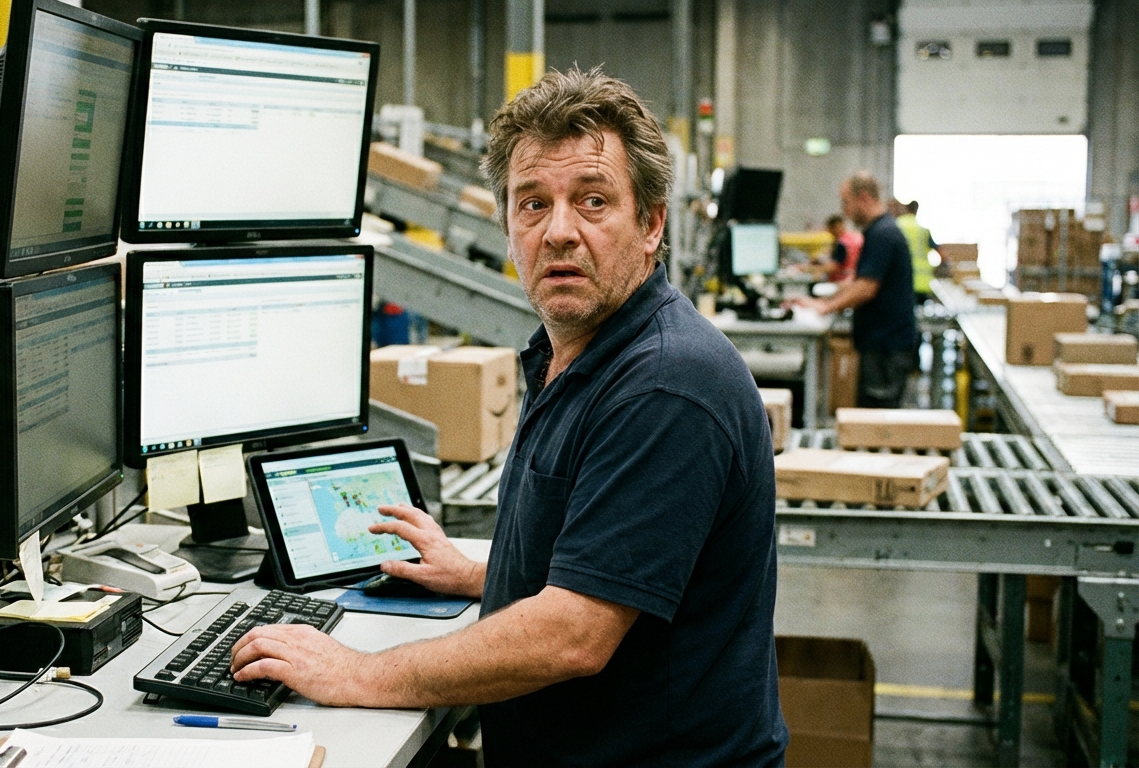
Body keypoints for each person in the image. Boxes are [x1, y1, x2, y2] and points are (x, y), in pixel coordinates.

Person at [230, 68, 788, 766]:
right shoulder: (575, 355)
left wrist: (356, 672)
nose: (558, 231)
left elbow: (573, 635)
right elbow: (605, 564)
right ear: (506, 227)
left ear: (650, 224)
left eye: (592, 201)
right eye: (532, 204)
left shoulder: (666, 385)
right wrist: (473, 573)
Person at [788, 172, 917, 408]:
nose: (844, 210)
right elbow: (860, 281)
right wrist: (822, 299)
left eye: (846, 202)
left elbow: (866, 288)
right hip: (882, 344)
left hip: (886, 347)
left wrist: (825, 307)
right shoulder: (879, 230)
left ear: (864, 198)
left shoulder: (883, 234)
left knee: (877, 423)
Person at [892, 199, 938, 303]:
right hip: (922, 282)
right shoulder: (923, 230)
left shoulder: (896, 226)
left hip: (900, 282)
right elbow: (941, 253)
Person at [825, 213, 863, 282]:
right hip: (856, 277)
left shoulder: (841, 243)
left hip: (841, 280)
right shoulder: (857, 237)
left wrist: (812, 269)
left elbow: (835, 267)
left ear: (835, 227)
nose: (829, 232)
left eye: (829, 228)